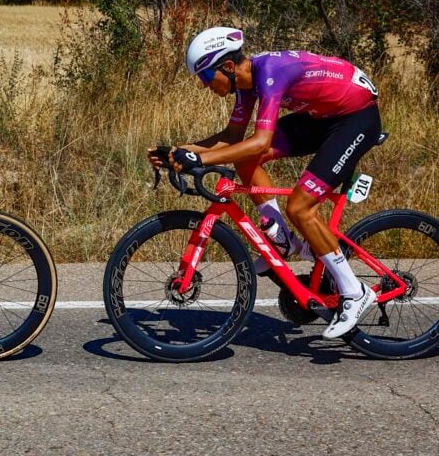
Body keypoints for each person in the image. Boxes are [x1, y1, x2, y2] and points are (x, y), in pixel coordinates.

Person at [150, 27, 382, 338]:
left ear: (228, 67)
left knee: (300, 207)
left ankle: (355, 293)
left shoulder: (270, 73)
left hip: (356, 118)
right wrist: (181, 151)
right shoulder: (246, 86)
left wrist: (201, 159)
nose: (206, 87)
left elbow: (260, 142)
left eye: (206, 78)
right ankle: (281, 239)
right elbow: (232, 140)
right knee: (244, 158)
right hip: (323, 116)